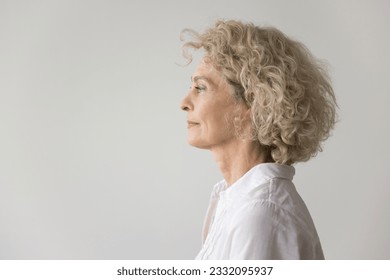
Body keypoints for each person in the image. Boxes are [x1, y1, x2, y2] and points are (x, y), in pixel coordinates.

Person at [180, 20, 337, 260]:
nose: (184, 103)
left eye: (201, 88)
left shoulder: (262, 213)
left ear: (253, 102)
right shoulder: (238, 202)